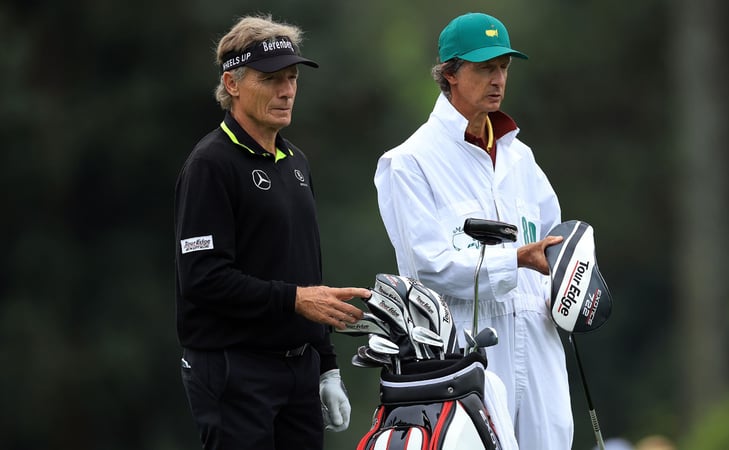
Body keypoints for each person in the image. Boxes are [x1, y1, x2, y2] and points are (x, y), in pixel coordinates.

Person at [374, 12, 572, 449]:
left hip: (538, 339)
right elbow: (429, 269)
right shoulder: (408, 162)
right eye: (485, 68)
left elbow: (555, 244)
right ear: (450, 74)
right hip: (463, 348)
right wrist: (517, 258)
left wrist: (573, 288)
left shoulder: (522, 158)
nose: (497, 78)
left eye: (503, 67)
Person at [174, 14, 371, 450]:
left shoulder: (296, 162)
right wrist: (296, 300)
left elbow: (307, 269)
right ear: (233, 84)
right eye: (271, 79)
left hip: (297, 372)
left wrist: (326, 366)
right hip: (234, 371)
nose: (286, 91)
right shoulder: (210, 165)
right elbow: (203, 279)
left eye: (292, 78)